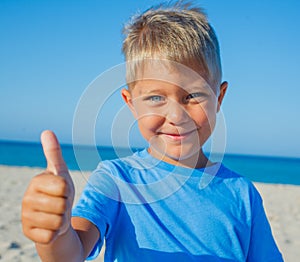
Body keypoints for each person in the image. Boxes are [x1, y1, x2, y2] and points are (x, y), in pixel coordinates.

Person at [21, 1, 283, 261]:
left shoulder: (242, 194)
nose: (176, 116)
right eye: (156, 98)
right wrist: (55, 233)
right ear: (131, 103)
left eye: (193, 95)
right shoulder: (116, 181)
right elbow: (72, 252)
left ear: (219, 97)